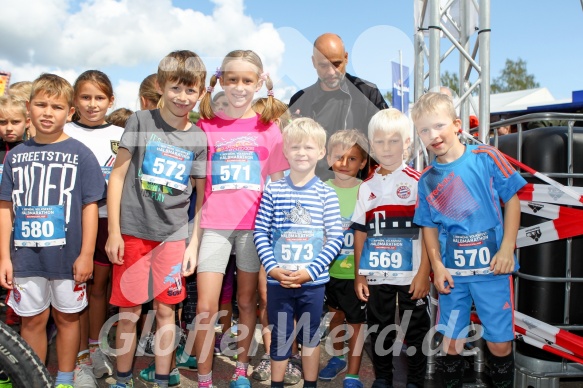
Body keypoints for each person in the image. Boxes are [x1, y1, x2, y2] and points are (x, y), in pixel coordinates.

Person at [105, 50, 208, 388]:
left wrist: (192, 244)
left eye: (190, 90)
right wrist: (114, 232)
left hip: (173, 240)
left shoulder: (198, 138)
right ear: (162, 86)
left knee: (167, 313)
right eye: (176, 88)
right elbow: (117, 176)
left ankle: (163, 379)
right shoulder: (140, 121)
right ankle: (122, 380)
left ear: (201, 93)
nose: (183, 97)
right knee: (129, 314)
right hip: (133, 234)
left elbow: (200, 196)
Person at [411, 92, 526, 387]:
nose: (433, 135)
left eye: (438, 125)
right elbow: (429, 228)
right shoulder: (426, 180)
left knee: (499, 345)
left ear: (457, 124)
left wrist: (506, 249)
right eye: (424, 130)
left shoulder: (486, 157)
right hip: (453, 278)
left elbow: (512, 202)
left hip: (492, 273)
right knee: (451, 344)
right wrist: (436, 266)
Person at [0, 73, 107, 388]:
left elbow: (91, 207)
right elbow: (5, 208)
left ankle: (64, 378)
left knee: (67, 318)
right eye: (41, 105)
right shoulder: (15, 157)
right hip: (24, 258)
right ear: (29, 108)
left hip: (67, 258)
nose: (48, 112)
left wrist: (87, 254)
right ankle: (33, 379)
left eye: (57, 106)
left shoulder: (81, 154)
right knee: (32, 321)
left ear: (70, 112)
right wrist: (4, 257)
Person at [192, 49, 289, 388]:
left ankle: (240, 369)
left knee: (247, 301)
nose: (239, 87)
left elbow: (279, 186)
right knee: (206, 308)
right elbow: (199, 187)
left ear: (260, 83)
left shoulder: (270, 129)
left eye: (247, 81)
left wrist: (282, 234)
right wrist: (192, 239)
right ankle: (205, 378)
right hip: (214, 226)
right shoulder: (204, 126)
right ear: (220, 80)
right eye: (232, 79)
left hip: (255, 229)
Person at [254, 117, 343, 388]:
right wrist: (271, 268)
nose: (301, 153)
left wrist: (309, 272)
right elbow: (260, 232)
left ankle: (310, 384)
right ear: (285, 152)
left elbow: (336, 237)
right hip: (278, 281)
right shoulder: (273, 190)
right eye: (295, 147)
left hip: (312, 283)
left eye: (308, 147)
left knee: (310, 337)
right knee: (280, 337)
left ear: (321, 153)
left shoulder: (327, 194)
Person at [352, 108, 431, 388]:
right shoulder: (366, 187)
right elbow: (360, 232)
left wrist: (425, 272)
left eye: (393, 141)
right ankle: (383, 378)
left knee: (416, 328)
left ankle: (415, 381)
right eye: (380, 142)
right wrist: (359, 274)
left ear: (407, 143)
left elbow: (429, 231)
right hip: (376, 273)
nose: (386, 148)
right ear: (371, 146)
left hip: (412, 274)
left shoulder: (419, 181)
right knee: (379, 326)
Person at [63, 70, 124, 386]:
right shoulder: (64, 131)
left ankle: (95, 348)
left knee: (98, 289)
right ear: (75, 100)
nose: (92, 104)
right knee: (73, 291)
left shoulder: (120, 134)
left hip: (104, 221)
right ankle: (77, 359)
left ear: (111, 101)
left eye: (99, 98)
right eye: (85, 97)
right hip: (69, 223)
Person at [250, 97, 302, 385]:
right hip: (263, 238)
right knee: (267, 299)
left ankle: (290, 357)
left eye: (269, 121)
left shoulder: (296, 155)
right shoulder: (251, 153)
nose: (262, 126)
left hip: (294, 243)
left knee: (290, 302)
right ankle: (273, 357)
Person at [289, 33, 388, 179]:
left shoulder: (368, 94)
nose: (330, 72)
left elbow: (386, 142)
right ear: (313, 62)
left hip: (358, 191)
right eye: (323, 65)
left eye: (336, 64)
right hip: (313, 191)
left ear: (346, 58)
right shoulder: (299, 101)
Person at [316, 129, 368, 387]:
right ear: (328, 158)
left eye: (352, 159)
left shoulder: (367, 190)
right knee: (335, 316)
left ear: (363, 162)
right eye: (339, 157)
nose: (345, 164)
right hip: (327, 271)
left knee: (356, 323)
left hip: (357, 274)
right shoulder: (320, 190)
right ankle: (337, 358)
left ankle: (353, 374)